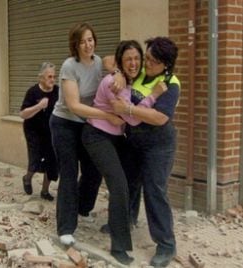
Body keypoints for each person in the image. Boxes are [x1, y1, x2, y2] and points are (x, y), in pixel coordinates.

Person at [81, 40, 167, 265]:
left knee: (117, 181)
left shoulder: (130, 80)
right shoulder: (114, 83)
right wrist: (155, 95)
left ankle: (97, 214)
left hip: (116, 137)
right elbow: (133, 117)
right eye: (128, 59)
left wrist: (120, 70)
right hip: (97, 135)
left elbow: (110, 61)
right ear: (121, 61)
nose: (134, 63)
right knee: (118, 185)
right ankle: (119, 247)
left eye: (137, 58)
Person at [49, 22, 125, 246]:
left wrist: (118, 72)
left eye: (90, 39)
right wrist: (108, 117)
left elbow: (113, 59)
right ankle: (66, 227)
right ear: (75, 44)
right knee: (69, 173)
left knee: (93, 170)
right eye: (82, 41)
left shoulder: (98, 61)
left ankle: (82, 208)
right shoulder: (69, 66)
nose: (87, 45)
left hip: (86, 124)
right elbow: (74, 105)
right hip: (64, 123)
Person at [110, 37, 180, 267]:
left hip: (159, 145)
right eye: (146, 57)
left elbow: (160, 118)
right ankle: (127, 220)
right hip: (134, 141)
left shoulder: (170, 83)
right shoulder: (140, 73)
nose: (146, 63)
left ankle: (166, 245)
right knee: (129, 183)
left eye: (152, 60)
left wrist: (128, 109)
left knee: (154, 190)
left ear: (165, 64)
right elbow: (109, 60)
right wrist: (119, 73)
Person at [19, 62, 59, 201]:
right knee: (35, 159)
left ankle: (44, 191)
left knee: (51, 161)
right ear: (40, 78)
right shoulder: (33, 92)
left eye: (54, 76)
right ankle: (27, 178)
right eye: (49, 77)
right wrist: (39, 106)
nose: (52, 80)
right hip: (33, 131)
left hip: (50, 131)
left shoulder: (57, 91)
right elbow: (23, 114)